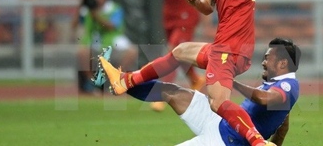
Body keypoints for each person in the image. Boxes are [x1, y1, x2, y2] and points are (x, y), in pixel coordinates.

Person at [99, 0, 269, 146]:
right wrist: (195, 2)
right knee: (179, 52)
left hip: (231, 49)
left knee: (218, 104)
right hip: (222, 46)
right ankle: (127, 80)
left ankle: (257, 142)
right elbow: (208, 7)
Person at [98, 38, 301, 146]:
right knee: (171, 92)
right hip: (219, 119)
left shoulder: (288, 86)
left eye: (268, 58)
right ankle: (122, 83)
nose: (264, 62)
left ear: (283, 63)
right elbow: (283, 127)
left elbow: (265, 100)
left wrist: (231, 82)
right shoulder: (280, 88)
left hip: (225, 141)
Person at [76, 0, 137, 93]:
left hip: (113, 44)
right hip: (95, 44)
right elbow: (75, 25)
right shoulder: (89, 10)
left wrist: (96, 15)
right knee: (82, 51)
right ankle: (92, 83)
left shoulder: (114, 8)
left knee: (132, 52)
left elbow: (112, 25)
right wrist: (81, 8)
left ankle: (115, 80)